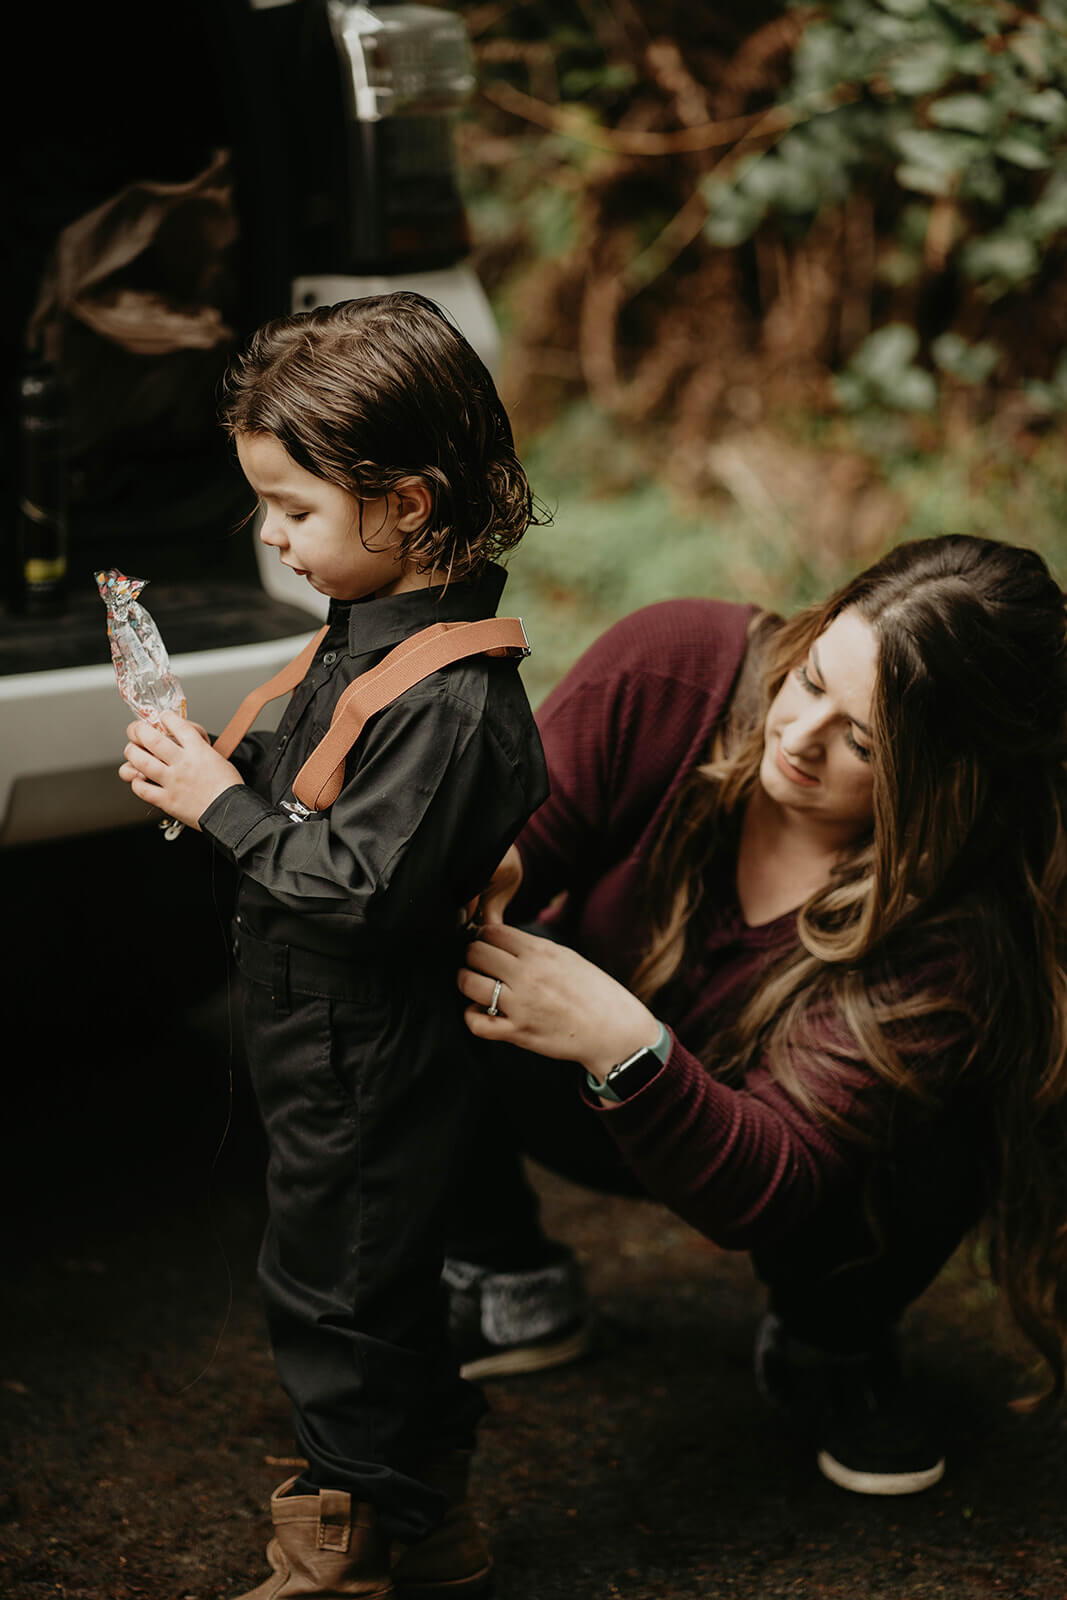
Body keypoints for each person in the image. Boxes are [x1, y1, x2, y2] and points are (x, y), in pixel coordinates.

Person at [453, 533, 1067, 1500]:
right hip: (573, 1097)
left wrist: (618, 1038)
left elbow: (764, 1187)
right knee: (409, 963)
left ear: (953, 779)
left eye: (862, 742)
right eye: (813, 676)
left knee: (938, 1123)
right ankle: (507, 1280)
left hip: (791, 1178)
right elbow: (517, 835)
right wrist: (483, 862)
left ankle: (830, 1342)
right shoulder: (677, 670)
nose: (799, 734)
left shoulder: (954, 932)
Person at [119, 292, 549, 1599]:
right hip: (324, 1056)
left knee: (339, 1300)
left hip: (370, 1066)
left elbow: (360, 886)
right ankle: (430, 1522)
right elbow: (324, 774)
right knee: (368, 1287)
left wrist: (222, 806)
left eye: (293, 509)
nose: (269, 535)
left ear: (405, 504)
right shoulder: (373, 639)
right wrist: (214, 760)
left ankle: (344, 1547)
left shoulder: (455, 701)